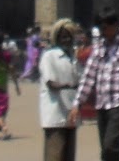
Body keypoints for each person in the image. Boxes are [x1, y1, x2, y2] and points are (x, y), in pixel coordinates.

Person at [70, 7, 119, 161]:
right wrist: (77, 103)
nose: (103, 32)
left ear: (115, 25)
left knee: (110, 145)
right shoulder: (99, 46)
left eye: (105, 28)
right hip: (102, 103)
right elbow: (89, 75)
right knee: (107, 150)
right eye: (100, 28)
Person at [39, 22, 79, 161]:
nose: (66, 40)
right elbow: (50, 83)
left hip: (70, 113)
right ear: (57, 38)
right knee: (54, 155)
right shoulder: (49, 56)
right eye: (63, 37)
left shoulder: (73, 57)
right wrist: (67, 85)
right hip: (54, 114)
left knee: (69, 156)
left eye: (69, 37)